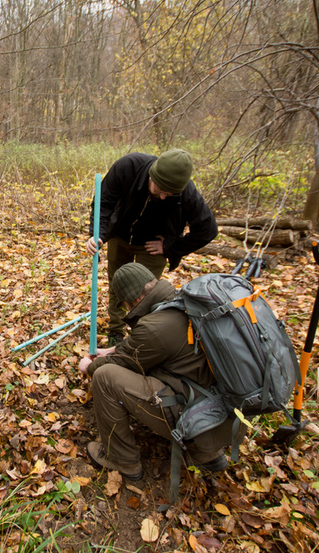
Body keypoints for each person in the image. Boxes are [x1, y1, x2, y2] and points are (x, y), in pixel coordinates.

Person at [78, 263, 231, 479]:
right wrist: (111, 350)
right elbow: (149, 345)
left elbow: (130, 356)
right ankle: (206, 452)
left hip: (199, 414)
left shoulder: (154, 327)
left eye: (125, 304)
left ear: (135, 299)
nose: (126, 309)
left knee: (104, 377)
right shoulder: (178, 301)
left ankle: (121, 459)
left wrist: (89, 367)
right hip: (221, 409)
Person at [86, 150, 218, 345]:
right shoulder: (129, 167)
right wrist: (98, 235)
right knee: (118, 284)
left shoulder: (186, 191)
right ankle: (116, 332)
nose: (164, 197)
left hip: (152, 247)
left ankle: (143, 336)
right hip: (120, 236)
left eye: (170, 194)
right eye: (160, 189)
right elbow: (104, 201)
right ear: (152, 176)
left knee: (147, 293)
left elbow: (208, 229)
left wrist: (170, 247)